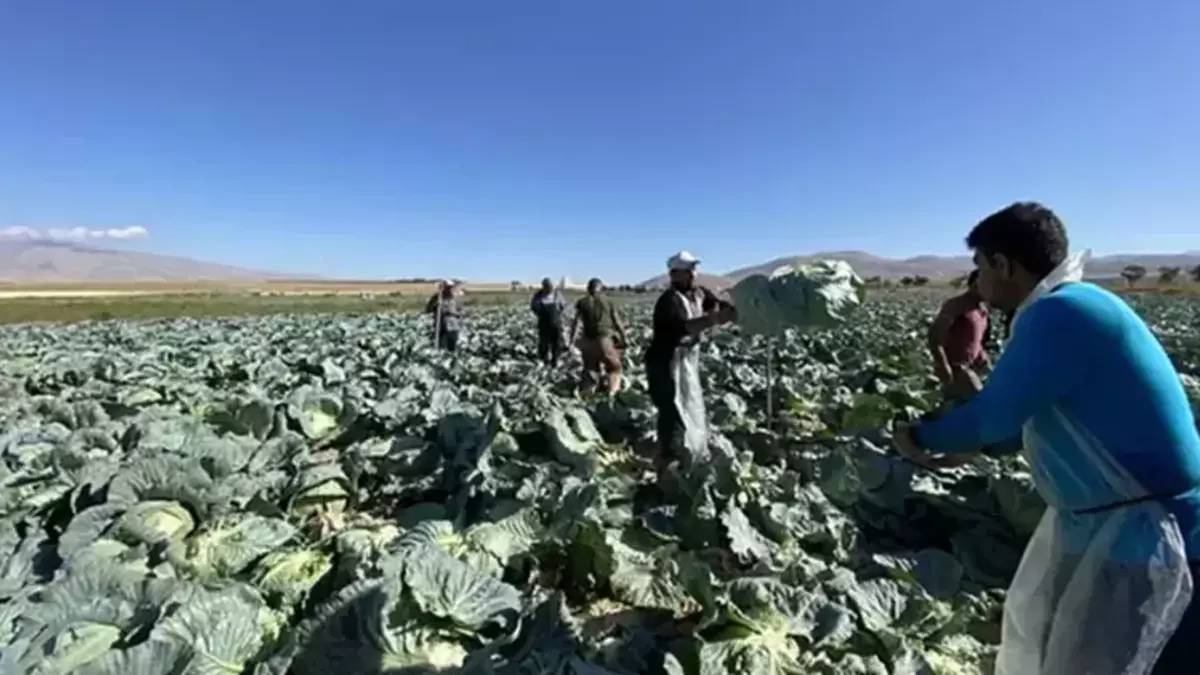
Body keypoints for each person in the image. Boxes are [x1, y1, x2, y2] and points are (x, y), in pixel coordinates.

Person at [892, 202, 1200, 675]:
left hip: (1155, 535)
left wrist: (918, 433)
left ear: (1002, 264)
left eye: (979, 268)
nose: (977, 284)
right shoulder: (1077, 305)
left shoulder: (1060, 314)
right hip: (1125, 527)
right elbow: (1015, 427)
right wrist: (975, 435)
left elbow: (990, 420)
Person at [644, 251, 736, 471]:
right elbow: (682, 328)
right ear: (675, 274)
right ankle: (668, 461)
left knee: (690, 404)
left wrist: (733, 310)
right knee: (672, 410)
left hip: (686, 360)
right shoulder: (669, 301)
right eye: (689, 271)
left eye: (694, 269)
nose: (694, 274)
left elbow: (718, 305)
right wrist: (711, 320)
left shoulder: (699, 293)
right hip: (665, 361)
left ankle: (687, 453)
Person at [927, 270, 991, 400]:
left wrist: (983, 358)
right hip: (956, 370)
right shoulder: (956, 305)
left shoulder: (982, 310)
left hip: (974, 368)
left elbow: (976, 341)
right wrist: (943, 365)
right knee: (977, 403)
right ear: (975, 284)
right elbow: (935, 335)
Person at [569, 278, 629, 393]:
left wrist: (571, 340)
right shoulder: (608, 302)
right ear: (601, 288)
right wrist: (624, 338)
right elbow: (617, 322)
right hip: (604, 341)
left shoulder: (582, 302)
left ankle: (588, 393)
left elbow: (575, 323)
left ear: (588, 289)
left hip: (588, 342)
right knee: (615, 368)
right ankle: (612, 394)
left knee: (590, 369)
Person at [530, 277, 566, 366]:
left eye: (551, 288)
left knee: (556, 343)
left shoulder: (557, 294)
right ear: (544, 287)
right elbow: (534, 307)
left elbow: (563, 306)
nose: (549, 289)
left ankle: (555, 360)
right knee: (544, 344)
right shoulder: (538, 296)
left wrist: (557, 314)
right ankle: (544, 360)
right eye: (547, 288)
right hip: (543, 324)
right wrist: (540, 314)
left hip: (556, 324)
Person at [425, 280, 464, 352]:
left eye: (451, 287)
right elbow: (428, 310)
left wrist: (452, 313)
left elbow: (461, 312)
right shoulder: (437, 297)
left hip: (453, 326)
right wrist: (435, 304)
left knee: (452, 347)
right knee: (441, 347)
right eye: (447, 287)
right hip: (440, 326)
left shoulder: (456, 298)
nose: (449, 289)